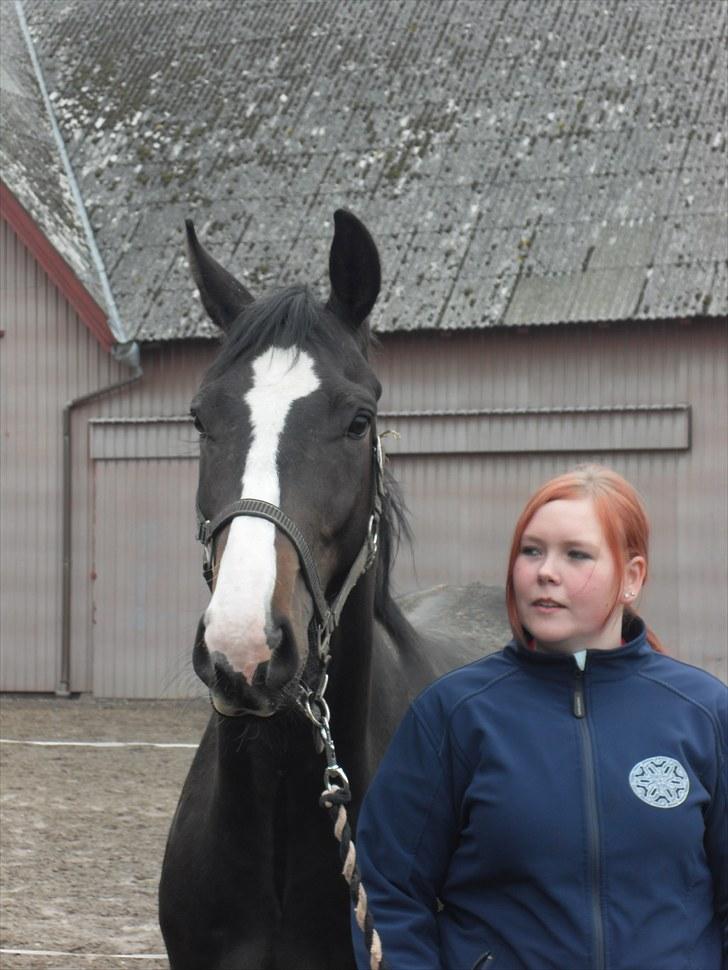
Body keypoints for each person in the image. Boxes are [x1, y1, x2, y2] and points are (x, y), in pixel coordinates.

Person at [353, 464, 727, 970]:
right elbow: (388, 888)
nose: (544, 571)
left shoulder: (703, 713)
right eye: (531, 551)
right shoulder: (455, 715)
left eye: (576, 554)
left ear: (632, 576)